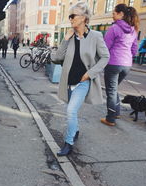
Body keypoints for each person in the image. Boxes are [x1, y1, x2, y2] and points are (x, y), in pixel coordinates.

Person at [51, 2, 109, 156]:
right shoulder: (69, 37)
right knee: (72, 112)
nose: (70, 19)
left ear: (84, 18)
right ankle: (75, 130)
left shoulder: (96, 36)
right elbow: (56, 58)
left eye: (73, 16)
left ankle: (69, 143)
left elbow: (105, 57)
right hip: (68, 82)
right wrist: (65, 39)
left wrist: (90, 74)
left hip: (82, 82)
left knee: (70, 111)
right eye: (69, 16)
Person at [101, 3, 139, 126]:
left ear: (121, 14)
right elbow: (134, 50)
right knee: (114, 89)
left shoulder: (114, 28)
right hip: (126, 65)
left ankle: (110, 119)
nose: (112, 15)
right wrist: (127, 58)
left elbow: (105, 47)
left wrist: (99, 61)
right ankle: (116, 112)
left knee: (111, 91)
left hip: (113, 63)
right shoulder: (133, 30)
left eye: (114, 13)